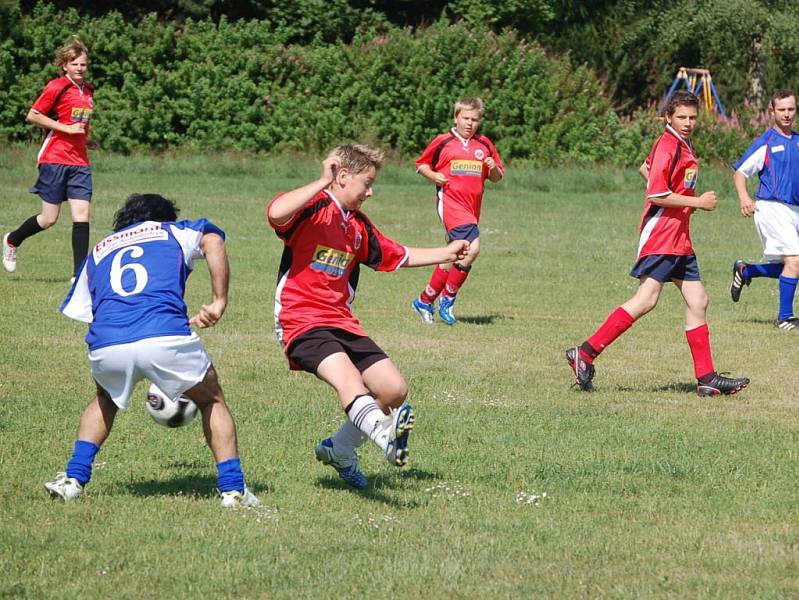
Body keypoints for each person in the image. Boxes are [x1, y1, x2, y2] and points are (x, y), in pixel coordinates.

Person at [267, 144, 468, 489]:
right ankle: (386, 440)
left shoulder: (357, 225)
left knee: (394, 389)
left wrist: (445, 253)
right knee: (350, 381)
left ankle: (340, 449)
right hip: (301, 320)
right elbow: (275, 213)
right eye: (367, 183)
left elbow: (396, 255)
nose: (370, 192)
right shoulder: (312, 208)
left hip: (341, 320)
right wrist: (321, 180)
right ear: (342, 177)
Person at [46, 194, 259, 508]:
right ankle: (233, 491)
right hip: (164, 336)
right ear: (163, 218)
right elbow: (213, 240)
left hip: (108, 342)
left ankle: (72, 480)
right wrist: (218, 300)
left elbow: (85, 308)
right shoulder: (172, 231)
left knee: (105, 398)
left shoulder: (98, 251)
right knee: (210, 398)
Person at [565, 90, 749, 397]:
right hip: (662, 235)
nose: (688, 122)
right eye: (682, 117)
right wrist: (697, 202)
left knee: (698, 300)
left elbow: (645, 169)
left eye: (692, 117)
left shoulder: (680, 144)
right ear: (668, 117)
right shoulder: (668, 144)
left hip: (680, 238)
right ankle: (584, 353)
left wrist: (684, 202)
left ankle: (706, 378)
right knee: (647, 299)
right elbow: (656, 194)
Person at [3, 37, 95, 279]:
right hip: (54, 158)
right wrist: (66, 129)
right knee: (48, 219)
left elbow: (80, 124)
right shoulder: (57, 86)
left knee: (82, 214)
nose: (79, 68)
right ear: (64, 65)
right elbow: (33, 115)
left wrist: (85, 138)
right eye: (74, 64)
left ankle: (79, 276)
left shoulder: (88, 90)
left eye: (83, 64)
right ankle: (12, 240)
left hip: (79, 162)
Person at [410, 96, 504, 325]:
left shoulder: (484, 145)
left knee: (455, 253)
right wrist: (434, 176)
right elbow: (421, 165)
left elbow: (497, 177)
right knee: (473, 248)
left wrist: (492, 168)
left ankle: (425, 300)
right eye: (466, 118)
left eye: (474, 120)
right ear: (456, 117)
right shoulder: (443, 142)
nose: (470, 124)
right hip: (450, 203)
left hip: (472, 209)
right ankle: (448, 298)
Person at [729, 89, 799, 331]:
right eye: (782, 110)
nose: (787, 114)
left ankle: (746, 270)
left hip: (794, 211)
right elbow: (740, 172)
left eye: (791, 109)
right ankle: (785, 317)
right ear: (772, 112)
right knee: (795, 260)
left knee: (794, 264)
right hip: (771, 208)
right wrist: (743, 197)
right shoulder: (765, 143)